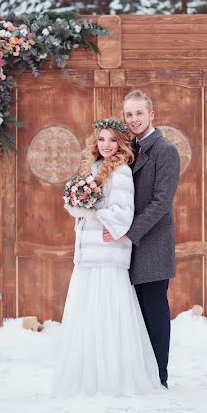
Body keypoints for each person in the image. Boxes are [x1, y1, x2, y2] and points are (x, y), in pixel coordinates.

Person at [51, 118, 161, 397]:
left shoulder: (121, 172)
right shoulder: (92, 169)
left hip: (108, 253)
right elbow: (86, 207)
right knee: (87, 316)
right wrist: (78, 206)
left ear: (121, 143)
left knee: (109, 315)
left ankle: (114, 377)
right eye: (102, 139)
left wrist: (93, 213)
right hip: (88, 253)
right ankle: (89, 376)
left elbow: (123, 214)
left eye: (112, 140)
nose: (106, 145)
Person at [104, 89, 180, 389]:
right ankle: (140, 373)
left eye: (139, 113)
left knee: (154, 310)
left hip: (153, 244)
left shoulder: (165, 150)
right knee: (134, 313)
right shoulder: (129, 150)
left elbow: (162, 202)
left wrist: (128, 231)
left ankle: (159, 375)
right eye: (129, 114)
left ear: (152, 115)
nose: (134, 119)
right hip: (130, 246)